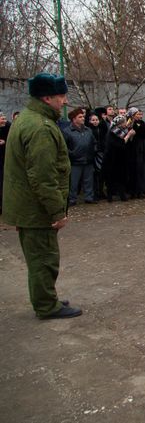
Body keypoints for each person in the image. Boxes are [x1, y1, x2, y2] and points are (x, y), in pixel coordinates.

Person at [2, 72, 82, 319]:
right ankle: (47, 306)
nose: (65, 101)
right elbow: (43, 176)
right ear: (47, 98)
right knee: (44, 258)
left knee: (39, 256)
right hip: (36, 209)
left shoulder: (27, 119)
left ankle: (46, 297)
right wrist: (57, 211)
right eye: (61, 95)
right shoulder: (40, 128)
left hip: (27, 205)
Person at [62, 107, 97, 205]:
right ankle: (72, 199)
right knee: (73, 182)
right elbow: (64, 147)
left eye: (83, 116)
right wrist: (72, 154)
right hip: (75, 162)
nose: (82, 118)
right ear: (74, 119)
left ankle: (89, 197)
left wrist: (93, 151)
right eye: (80, 117)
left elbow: (94, 142)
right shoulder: (67, 131)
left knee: (88, 181)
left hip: (88, 160)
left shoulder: (88, 130)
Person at [104, 115, 135, 201]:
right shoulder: (113, 132)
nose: (126, 123)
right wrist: (128, 136)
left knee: (121, 177)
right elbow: (120, 144)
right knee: (111, 178)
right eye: (124, 122)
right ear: (119, 123)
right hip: (112, 158)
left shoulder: (122, 131)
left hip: (121, 158)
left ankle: (122, 195)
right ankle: (110, 196)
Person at [126, 107, 145, 198]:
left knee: (141, 170)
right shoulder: (128, 123)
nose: (139, 116)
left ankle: (141, 190)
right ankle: (132, 191)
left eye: (139, 114)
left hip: (140, 148)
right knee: (132, 170)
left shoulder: (142, 123)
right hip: (131, 149)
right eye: (137, 114)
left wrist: (139, 128)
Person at [87, 112, 105, 199]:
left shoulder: (101, 129)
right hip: (93, 154)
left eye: (96, 120)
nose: (95, 122)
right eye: (93, 120)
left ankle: (101, 191)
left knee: (101, 173)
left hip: (101, 153)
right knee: (94, 175)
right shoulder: (88, 130)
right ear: (90, 121)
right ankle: (95, 192)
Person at [0, 111, 11, 213]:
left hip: (5, 159)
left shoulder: (8, 126)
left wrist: (5, 142)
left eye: (4, 118)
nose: (4, 120)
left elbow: (12, 140)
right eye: (2, 119)